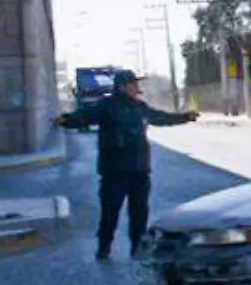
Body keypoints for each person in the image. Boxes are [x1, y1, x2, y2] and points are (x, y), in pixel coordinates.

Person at [56, 70, 198, 259]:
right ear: (122, 87)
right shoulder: (106, 106)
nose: (137, 87)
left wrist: (184, 117)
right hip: (114, 172)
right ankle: (104, 247)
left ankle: (137, 248)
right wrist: (66, 120)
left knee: (139, 213)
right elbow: (84, 116)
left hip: (139, 171)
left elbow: (161, 118)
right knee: (110, 212)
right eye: (133, 84)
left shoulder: (139, 107)